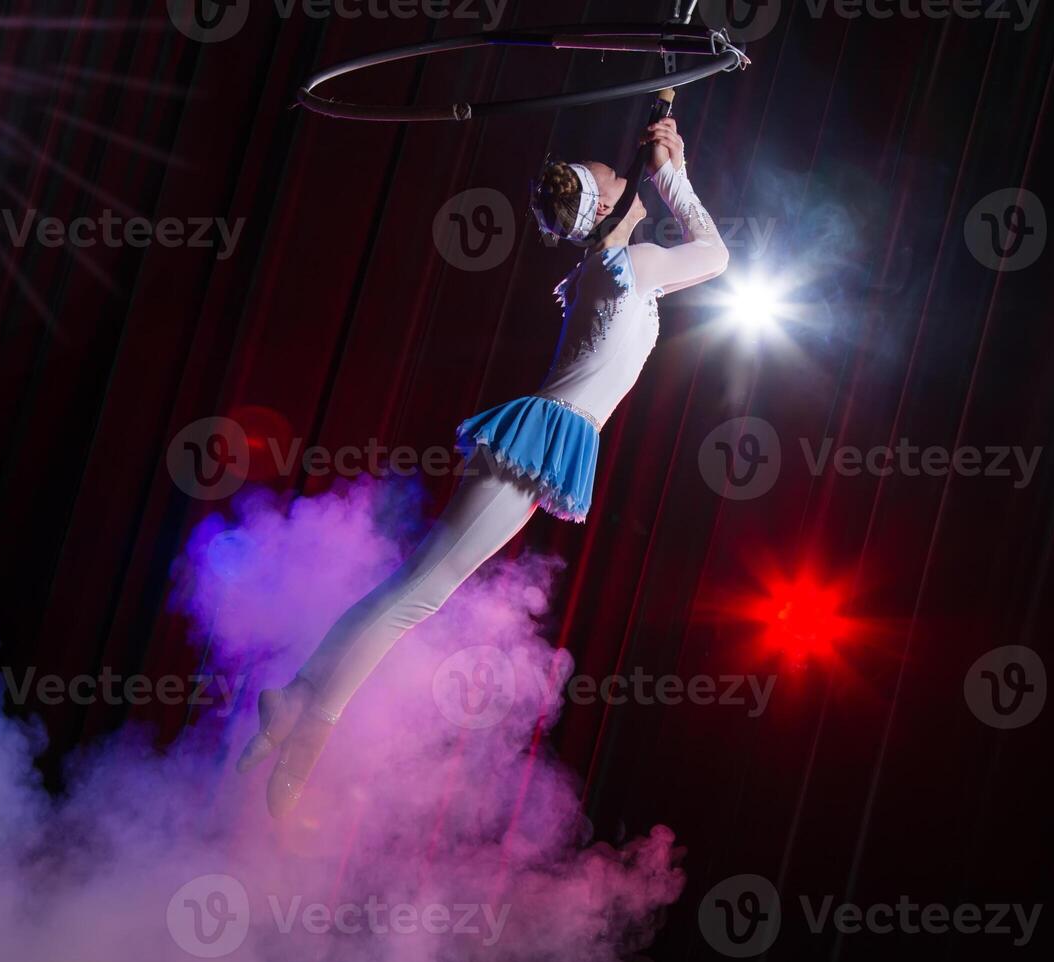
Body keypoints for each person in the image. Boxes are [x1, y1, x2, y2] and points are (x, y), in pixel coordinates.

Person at [237, 116, 729, 817]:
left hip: (544, 436)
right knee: (420, 592)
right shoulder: (628, 268)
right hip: (541, 437)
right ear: (609, 207)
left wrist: (671, 168)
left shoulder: (620, 269)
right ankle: (304, 730)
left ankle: (296, 702)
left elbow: (691, 249)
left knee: (417, 585)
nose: (628, 173)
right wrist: (672, 178)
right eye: (618, 177)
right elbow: (714, 253)